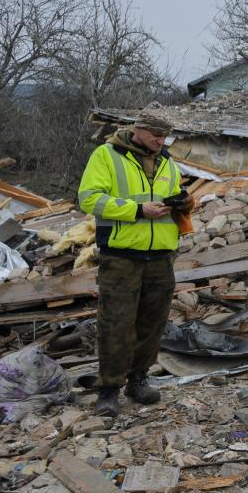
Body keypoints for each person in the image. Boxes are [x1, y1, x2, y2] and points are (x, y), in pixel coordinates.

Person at [78, 114, 188, 417]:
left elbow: (173, 195)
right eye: (154, 133)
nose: (160, 140)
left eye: (164, 135)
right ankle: (109, 388)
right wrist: (137, 210)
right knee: (116, 323)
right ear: (137, 129)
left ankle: (138, 380)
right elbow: (89, 199)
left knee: (152, 322)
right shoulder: (107, 155)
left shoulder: (167, 161)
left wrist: (183, 203)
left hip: (161, 255)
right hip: (122, 255)